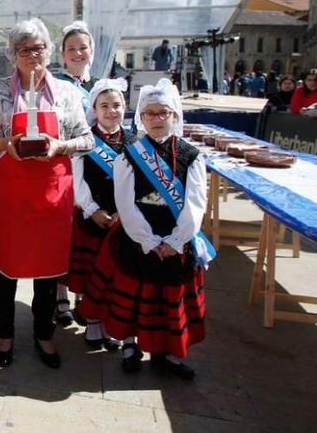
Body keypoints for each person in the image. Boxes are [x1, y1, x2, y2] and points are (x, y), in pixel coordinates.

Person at [0, 18, 94, 369]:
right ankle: (5, 335)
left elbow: (88, 140)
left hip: (51, 194)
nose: (32, 56)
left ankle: (44, 334)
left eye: (38, 48)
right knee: (6, 268)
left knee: (47, 269)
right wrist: (5, 145)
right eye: (24, 50)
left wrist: (60, 146)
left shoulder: (68, 94)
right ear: (13, 55)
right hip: (9, 193)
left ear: (48, 51)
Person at [81, 79, 213, 380]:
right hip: (138, 240)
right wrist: (149, 240)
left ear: (174, 116)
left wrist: (176, 240)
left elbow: (196, 203)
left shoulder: (192, 156)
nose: (156, 119)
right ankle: (130, 346)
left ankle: (166, 353)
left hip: (177, 243)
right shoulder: (130, 155)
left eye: (162, 112)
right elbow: (125, 203)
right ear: (140, 117)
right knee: (135, 297)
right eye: (150, 113)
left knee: (167, 299)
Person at [67, 78, 135, 351]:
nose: (111, 111)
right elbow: (76, 180)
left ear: (125, 108)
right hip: (91, 219)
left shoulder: (133, 141)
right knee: (91, 275)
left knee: (114, 276)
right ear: (93, 109)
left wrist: (124, 213)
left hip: (123, 223)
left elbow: (137, 183)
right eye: (104, 106)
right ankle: (93, 323)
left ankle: (109, 323)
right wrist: (92, 209)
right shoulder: (85, 140)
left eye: (117, 105)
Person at [54, 20, 96, 327]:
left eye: (83, 47)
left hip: (95, 171)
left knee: (88, 237)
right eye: (72, 49)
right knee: (64, 236)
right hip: (67, 169)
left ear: (91, 51)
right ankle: (60, 298)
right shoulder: (55, 86)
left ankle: (86, 296)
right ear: (62, 54)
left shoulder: (102, 86)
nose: (77, 53)